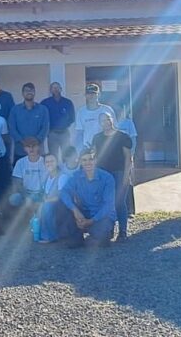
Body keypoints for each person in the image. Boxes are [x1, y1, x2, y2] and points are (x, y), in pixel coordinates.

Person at [59, 149, 116, 248]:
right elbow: (64, 192)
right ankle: (78, 236)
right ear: (80, 162)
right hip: (83, 214)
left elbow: (109, 205)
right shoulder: (76, 176)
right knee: (73, 244)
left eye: (91, 159)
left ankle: (103, 232)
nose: (88, 162)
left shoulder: (107, 178)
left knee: (102, 240)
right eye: (84, 160)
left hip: (101, 216)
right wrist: (75, 210)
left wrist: (91, 221)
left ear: (96, 160)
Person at [92, 113, 132, 241]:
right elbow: (95, 157)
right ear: (100, 123)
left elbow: (128, 158)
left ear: (112, 120)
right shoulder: (97, 138)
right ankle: (109, 230)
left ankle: (123, 231)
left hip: (119, 172)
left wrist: (126, 175)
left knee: (119, 202)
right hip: (103, 174)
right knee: (107, 202)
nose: (106, 122)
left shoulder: (123, 137)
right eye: (103, 120)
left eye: (108, 119)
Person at [8, 82, 50, 160]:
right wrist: (22, 141)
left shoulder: (43, 109)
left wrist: (36, 141)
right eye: (26, 90)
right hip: (20, 150)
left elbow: (45, 127)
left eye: (31, 90)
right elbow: (12, 128)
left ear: (34, 92)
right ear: (22, 93)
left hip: (38, 150)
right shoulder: (15, 110)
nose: (29, 92)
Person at [9, 137, 48, 212]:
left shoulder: (45, 161)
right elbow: (17, 182)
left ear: (38, 147)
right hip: (26, 193)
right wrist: (27, 196)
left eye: (34, 146)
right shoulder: (20, 162)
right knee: (13, 199)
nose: (31, 149)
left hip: (41, 193)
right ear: (24, 149)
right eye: (28, 146)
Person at [75, 83, 116, 151]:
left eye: (94, 93)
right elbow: (79, 133)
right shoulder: (81, 112)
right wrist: (79, 149)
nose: (91, 96)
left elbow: (114, 128)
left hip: (106, 147)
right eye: (88, 93)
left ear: (99, 95)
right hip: (88, 148)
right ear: (85, 95)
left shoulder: (107, 110)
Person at [39, 154, 70, 243]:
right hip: (51, 201)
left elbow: (61, 196)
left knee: (47, 206)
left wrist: (46, 201)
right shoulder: (47, 177)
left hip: (62, 204)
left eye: (52, 161)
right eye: (47, 162)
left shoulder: (62, 177)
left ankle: (51, 236)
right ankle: (40, 232)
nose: (49, 164)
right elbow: (45, 193)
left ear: (57, 162)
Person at [40, 82, 75, 160]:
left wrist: (64, 125)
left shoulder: (68, 102)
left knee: (66, 155)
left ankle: (66, 168)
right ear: (50, 90)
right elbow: (41, 118)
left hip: (65, 133)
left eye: (57, 87)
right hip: (52, 134)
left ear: (61, 89)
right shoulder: (45, 103)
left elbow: (72, 118)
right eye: (53, 88)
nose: (55, 89)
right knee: (53, 156)